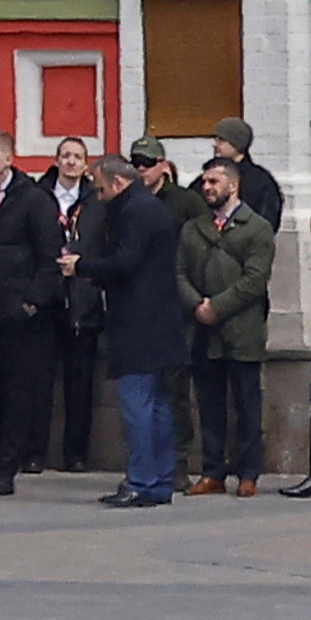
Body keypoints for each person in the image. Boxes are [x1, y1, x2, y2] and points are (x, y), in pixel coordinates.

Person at [90, 143, 195, 509]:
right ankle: (160, 480)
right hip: (160, 321)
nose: (100, 197)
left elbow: (125, 262)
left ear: (118, 182)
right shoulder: (149, 207)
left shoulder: (134, 211)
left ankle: (141, 480)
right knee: (158, 406)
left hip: (139, 323)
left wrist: (83, 267)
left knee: (138, 407)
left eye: (101, 189)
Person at [0, 138, 78, 494]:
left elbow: (50, 256)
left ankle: (6, 466)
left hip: (16, 312)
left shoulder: (33, 199)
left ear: (8, 158)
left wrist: (31, 301)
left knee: (15, 391)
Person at [185, 156, 279, 493]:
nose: (207, 188)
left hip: (243, 329)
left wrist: (217, 307)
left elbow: (255, 279)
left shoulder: (256, 227)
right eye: (205, 182)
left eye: (214, 182)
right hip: (203, 330)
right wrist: (196, 304)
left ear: (233, 185)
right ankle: (212, 471)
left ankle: (248, 473)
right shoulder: (193, 228)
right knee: (209, 404)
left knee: (246, 405)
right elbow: (178, 271)